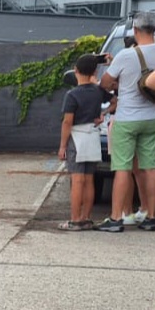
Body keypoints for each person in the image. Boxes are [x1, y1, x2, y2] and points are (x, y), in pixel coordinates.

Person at [100, 12, 155, 231]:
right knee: (150, 166)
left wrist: (117, 83)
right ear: (154, 30)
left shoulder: (125, 55)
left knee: (122, 168)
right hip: (151, 117)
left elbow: (106, 83)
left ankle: (116, 218)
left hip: (127, 118)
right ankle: (151, 217)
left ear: (135, 31)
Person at [58, 54, 108, 230]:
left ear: (76, 71)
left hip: (77, 138)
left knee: (77, 180)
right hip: (93, 136)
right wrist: (104, 113)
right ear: (95, 71)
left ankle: (75, 219)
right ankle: (86, 218)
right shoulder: (98, 91)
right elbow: (115, 100)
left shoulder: (72, 95)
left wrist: (63, 146)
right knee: (89, 180)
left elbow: (67, 122)